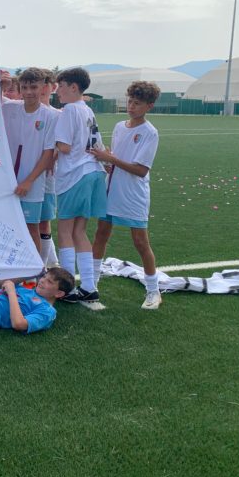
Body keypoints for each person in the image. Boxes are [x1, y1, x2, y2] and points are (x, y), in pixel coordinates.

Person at [91, 81, 162, 310]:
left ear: (149, 106)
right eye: (130, 101)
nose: (131, 106)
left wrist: (111, 159)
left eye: (137, 103)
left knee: (140, 242)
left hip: (133, 195)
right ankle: (91, 284)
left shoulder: (150, 133)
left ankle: (153, 291)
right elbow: (116, 159)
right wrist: (106, 161)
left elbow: (141, 170)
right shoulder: (120, 127)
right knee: (101, 234)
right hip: (111, 190)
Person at [53, 67, 107, 307]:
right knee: (79, 231)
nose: (57, 91)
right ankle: (89, 286)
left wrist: (51, 145)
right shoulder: (87, 109)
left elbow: (64, 146)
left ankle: (66, 287)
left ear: (73, 87)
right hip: (93, 172)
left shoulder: (69, 110)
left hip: (75, 174)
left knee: (65, 231)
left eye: (61, 86)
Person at [1, 68, 57, 252]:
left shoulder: (50, 116)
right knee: (7, 227)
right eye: (24, 87)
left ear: (43, 87)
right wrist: (1, 83)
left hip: (32, 184)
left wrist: (29, 181)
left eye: (33, 87)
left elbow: (48, 153)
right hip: (7, 182)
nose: (28, 92)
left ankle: (37, 268)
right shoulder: (10, 108)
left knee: (31, 227)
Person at [38, 69, 60, 267]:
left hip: (47, 177)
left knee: (44, 221)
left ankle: (42, 267)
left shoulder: (59, 115)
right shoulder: (23, 111)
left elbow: (68, 143)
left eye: (47, 83)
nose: (43, 88)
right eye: (40, 83)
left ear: (53, 87)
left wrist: (55, 154)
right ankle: (51, 262)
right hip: (22, 175)